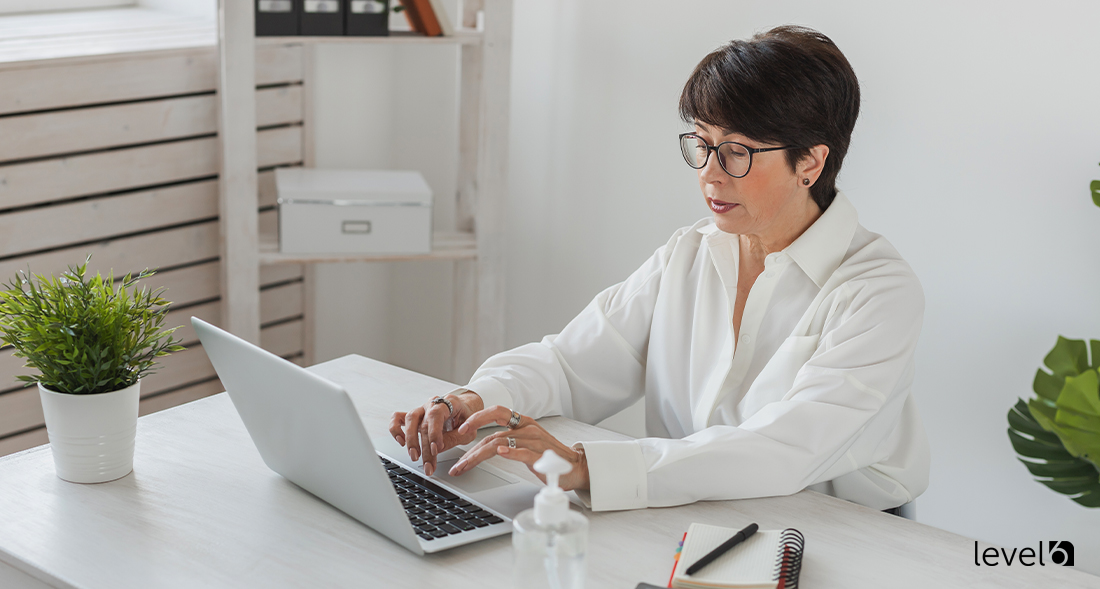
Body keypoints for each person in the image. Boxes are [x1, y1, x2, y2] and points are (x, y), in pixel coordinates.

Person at [389, 25, 929, 512]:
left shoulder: (877, 291)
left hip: (841, 530)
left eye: (737, 152)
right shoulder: (688, 253)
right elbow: (571, 364)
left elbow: (785, 448)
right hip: (694, 509)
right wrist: (472, 400)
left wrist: (585, 465)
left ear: (810, 162)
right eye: (702, 144)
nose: (710, 176)